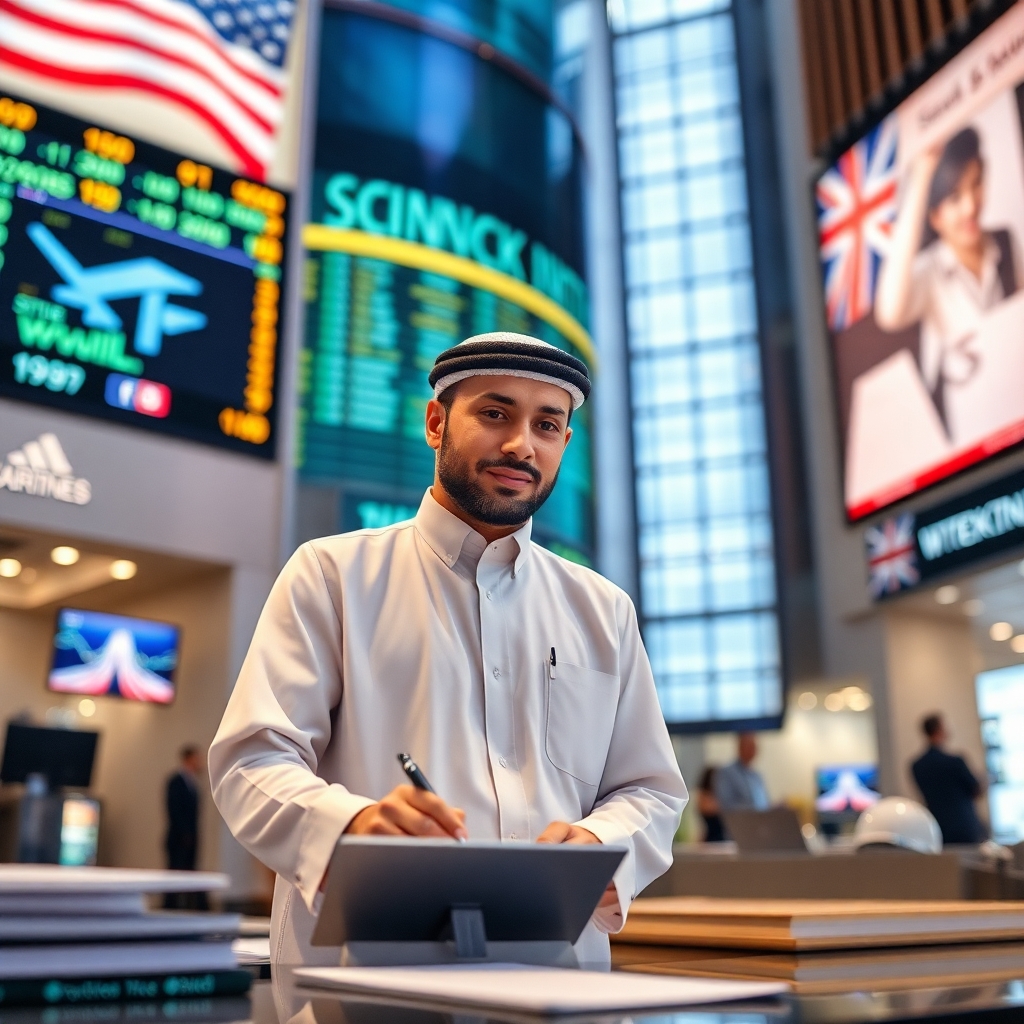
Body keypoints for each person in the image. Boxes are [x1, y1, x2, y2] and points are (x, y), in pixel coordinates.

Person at [209, 332, 688, 967]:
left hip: (558, 982)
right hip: (368, 982)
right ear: (436, 422)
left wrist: (599, 840)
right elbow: (252, 761)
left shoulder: (603, 609)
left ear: (564, 444)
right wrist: (349, 828)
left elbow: (651, 790)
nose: (522, 444)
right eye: (495, 414)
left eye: (547, 424)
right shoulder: (331, 575)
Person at [875, 127, 1021, 426]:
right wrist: (922, 176)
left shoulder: (1007, 241)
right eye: (954, 198)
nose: (971, 207)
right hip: (965, 429)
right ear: (934, 216)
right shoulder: (928, 273)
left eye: (976, 183)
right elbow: (889, 312)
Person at [911, 713, 986, 845]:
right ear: (940, 730)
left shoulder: (917, 766)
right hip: (964, 826)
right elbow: (976, 789)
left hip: (936, 827)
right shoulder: (955, 762)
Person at [164, 745, 207, 910]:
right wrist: (184, 832)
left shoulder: (193, 782)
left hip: (191, 837)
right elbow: (173, 809)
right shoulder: (175, 781)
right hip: (178, 838)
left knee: (191, 873)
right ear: (189, 759)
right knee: (175, 874)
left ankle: (192, 907)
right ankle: (171, 908)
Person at [714, 732, 770, 812]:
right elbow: (725, 804)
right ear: (740, 747)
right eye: (750, 746)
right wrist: (753, 810)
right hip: (740, 822)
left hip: (762, 821)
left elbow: (764, 804)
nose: (753, 750)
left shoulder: (757, 776)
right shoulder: (727, 773)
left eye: (754, 746)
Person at [696, 766, 725, 842]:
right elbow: (709, 810)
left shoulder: (719, 795)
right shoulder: (704, 797)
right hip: (711, 838)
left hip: (723, 838)